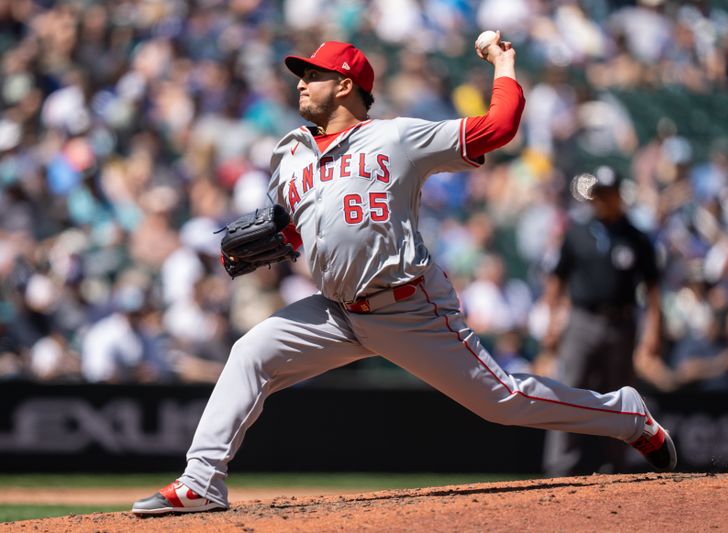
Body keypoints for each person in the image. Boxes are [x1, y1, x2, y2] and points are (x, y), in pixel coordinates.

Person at [132, 36, 676, 515]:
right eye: (301, 75)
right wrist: (282, 239)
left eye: (314, 74)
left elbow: (498, 128)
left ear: (346, 85)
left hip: (407, 306)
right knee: (251, 351)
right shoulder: (289, 154)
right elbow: (298, 231)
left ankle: (626, 414)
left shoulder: (395, 138)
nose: (301, 83)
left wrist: (503, 65)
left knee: (503, 402)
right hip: (338, 312)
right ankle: (202, 481)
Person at [538, 167, 673, 476]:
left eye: (607, 193)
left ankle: (615, 468)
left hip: (622, 324)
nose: (601, 200)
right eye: (597, 194)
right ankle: (560, 468)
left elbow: (653, 289)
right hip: (581, 322)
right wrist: (551, 322)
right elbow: (556, 281)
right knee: (568, 391)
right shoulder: (577, 232)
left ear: (618, 195)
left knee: (621, 396)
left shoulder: (637, 237)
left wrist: (653, 329)